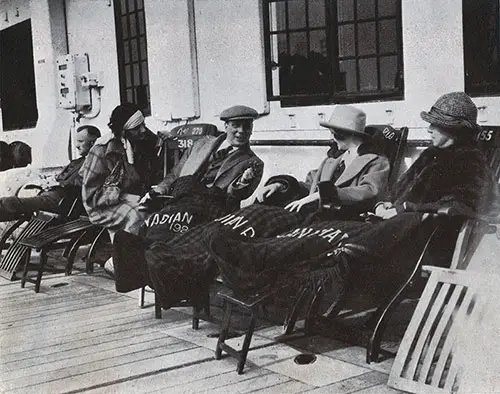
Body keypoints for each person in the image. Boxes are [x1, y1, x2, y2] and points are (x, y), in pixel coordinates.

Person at [206, 91, 500, 299]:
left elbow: (465, 204)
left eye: (435, 124)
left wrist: (403, 208)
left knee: (324, 237)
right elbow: (391, 193)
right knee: (319, 232)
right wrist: (391, 204)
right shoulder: (431, 157)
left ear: (452, 128)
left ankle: (255, 259)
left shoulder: (469, 162)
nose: (430, 128)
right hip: (388, 228)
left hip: (420, 240)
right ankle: (255, 261)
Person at [141, 105, 264, 242]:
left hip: (212, 208)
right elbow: (175, 174)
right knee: (154, 227)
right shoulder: (201, 143)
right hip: (180, 199)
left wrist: (243, 181)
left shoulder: (253, 162)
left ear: (252, 129)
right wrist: (159, 189)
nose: (241, 131)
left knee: (176, 237)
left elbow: (234, 196)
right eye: (236, 125)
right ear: (226, 126)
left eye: (247, 126)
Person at [256, 105, 390, 218]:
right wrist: (281, 185)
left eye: (335, 133)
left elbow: (369, 192)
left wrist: (324, 195)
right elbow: (311, 186)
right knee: (261, 213)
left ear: (349, 134)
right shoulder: (333, 159)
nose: (332, 138)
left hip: (341, 219)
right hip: (315, 215)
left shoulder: (376, 161)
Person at [80, 103, 162, 238]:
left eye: (144, 125)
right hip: (102, 207)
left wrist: (163, 138)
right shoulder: (102, 151)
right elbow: (91, 196)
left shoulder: (139, 139)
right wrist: (126, 197)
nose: (142, 130)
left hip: (134, 199)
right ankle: (126, 256)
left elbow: (156, 140)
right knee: (136, 216)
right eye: (137, 128)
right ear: (124, 131)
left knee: (160, 215)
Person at [0, 125, 100, 222]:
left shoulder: (96, 163)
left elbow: (87, 183)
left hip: (63, 200)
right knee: (13, 208)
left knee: (9, 202)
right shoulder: (76, 162)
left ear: (92, 143)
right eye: (77, 141)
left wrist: (60, 184)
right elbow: (61, 177)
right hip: (52, 194)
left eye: (81, 141)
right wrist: (51, 181)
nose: (77, 145)